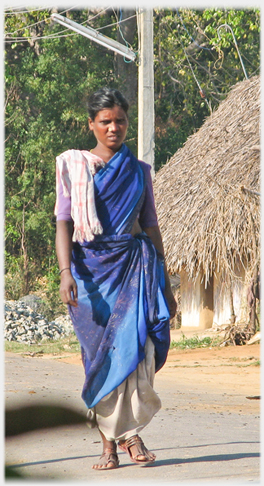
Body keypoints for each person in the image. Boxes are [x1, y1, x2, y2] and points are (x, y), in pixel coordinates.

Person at [55, 87, 177, 470]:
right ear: (91, 124)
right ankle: (112, 444)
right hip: (90, 277)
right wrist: (64, 274)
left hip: (134, 269)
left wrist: (164, 277)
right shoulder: (73, 167)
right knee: (100, 360)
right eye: (105, 121)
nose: (114, 127)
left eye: (120, 120)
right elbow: (63, 223)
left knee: (138, 352)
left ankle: (127, 438)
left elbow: (152, 225)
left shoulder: (139, 172)